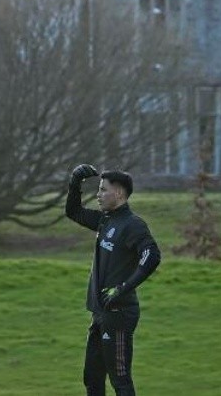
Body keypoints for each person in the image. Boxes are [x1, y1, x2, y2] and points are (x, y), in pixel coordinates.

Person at [66, 164, 161, 396]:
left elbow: (152, 256)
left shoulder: (132, 225)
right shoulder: (105, 221)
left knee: (120, 381)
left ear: (118, 193)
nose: (98, 195)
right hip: (101, 312)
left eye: (102, 190)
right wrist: (75, 183)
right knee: (92, 378)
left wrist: (123, 288)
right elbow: (74, 212)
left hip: (119, 314)